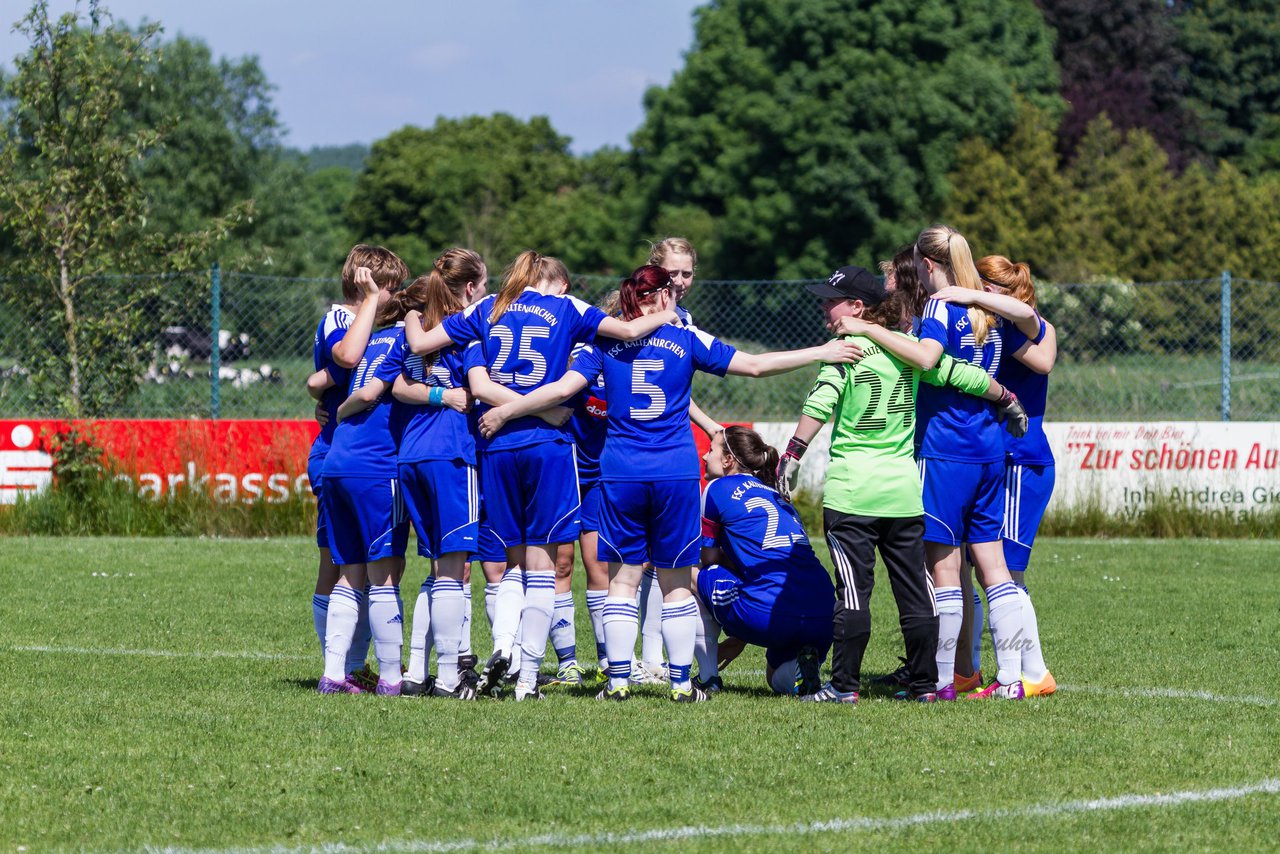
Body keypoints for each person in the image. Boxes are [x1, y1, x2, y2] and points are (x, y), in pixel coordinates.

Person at [477, 264, 862, 702]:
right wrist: (819, 352)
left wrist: (508, 410)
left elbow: (563, 389)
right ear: (662, 296)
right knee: (676, 581)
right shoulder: (685, 337)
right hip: (675, 472)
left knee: (622, 580)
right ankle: (682, 684)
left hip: (620, 471)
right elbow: (754, 366)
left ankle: (618, 682)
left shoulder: (604, 340)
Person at [404, 250, 677, 701]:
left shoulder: (488, 305)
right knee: (543, 566)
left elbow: (419, 345)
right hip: (546, 445)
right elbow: (628, 330)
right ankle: (527, 680)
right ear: (560, 283)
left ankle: (501, 646)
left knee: (511, 563)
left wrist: (411, 312)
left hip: (497, 444)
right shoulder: (568, 309)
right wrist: (669, 309)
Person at [777, 261, 1026, 703]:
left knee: (853, 592)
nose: (825, 312)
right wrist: (1004, 396)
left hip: (854, 491)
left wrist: (793, 452)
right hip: (904, 493)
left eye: (830, 303)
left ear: (857, 306)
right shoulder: (910, 347)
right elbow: (958, 373)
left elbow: (821, 402)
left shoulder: (847, 348)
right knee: (915, 592)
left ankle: (844, 687)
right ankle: (926, 686)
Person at [831, 225, 1048, 700]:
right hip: (991, 451)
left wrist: (870, 329)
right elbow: (1031, 330)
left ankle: (943, 680)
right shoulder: (987, 310)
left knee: (944, 572)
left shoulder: (940, 306)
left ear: (927, 265)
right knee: (995, 570)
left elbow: (927, 359)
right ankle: (1011, 679)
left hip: (946, 449)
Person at [934, 254, 1057, 697]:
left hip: (1020, 460)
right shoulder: (983, 327)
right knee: (973, 568)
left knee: (1005, 575)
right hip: (988, 459)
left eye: (977, 286)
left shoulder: (1016, 325)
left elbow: (1044, 357)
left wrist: (968, 296)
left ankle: (1033, 672)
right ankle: (969, 670)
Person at [390, 249, 488, 699]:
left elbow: (396, 384)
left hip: (412, 453)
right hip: (452, 452)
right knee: (453, 572)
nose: (485, 294)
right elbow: (479, 386)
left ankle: (413, 673)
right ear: (468, 289)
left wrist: (434, 395)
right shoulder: (468, 328)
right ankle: (449, 677)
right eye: (483, 286)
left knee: (436, 571)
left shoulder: (415, 324)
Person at [314, 280, 417, 695]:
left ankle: (334, 674)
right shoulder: (411, 343)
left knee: (348, 573)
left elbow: (321, 381)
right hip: (377, 467)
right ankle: (391, 678)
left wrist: (331, 405)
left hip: (338, 460)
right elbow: (388, 390)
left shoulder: (370, 340)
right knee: (384, 575)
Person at [695, 427, 834, 696]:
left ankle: (707, 674)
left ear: (728, 461)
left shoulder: (716, 488)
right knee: (775, 676)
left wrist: (739, 635)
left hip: (770, 611)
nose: (704, 456)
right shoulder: (776, 493)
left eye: (710, 450)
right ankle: (801, 672)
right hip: (824, 612)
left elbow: (709, 559)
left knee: (688, 571)